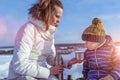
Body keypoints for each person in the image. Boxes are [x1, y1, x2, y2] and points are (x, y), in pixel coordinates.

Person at [8, 0, 64, 80]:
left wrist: (67, 62)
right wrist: (48, 72)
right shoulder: (28, 29)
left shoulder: (49, 33)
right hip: (22, 76)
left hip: (41, 74)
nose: (59, 20)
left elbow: (50, 59)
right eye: (57, 16)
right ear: (47, 13)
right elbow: (19, 65)